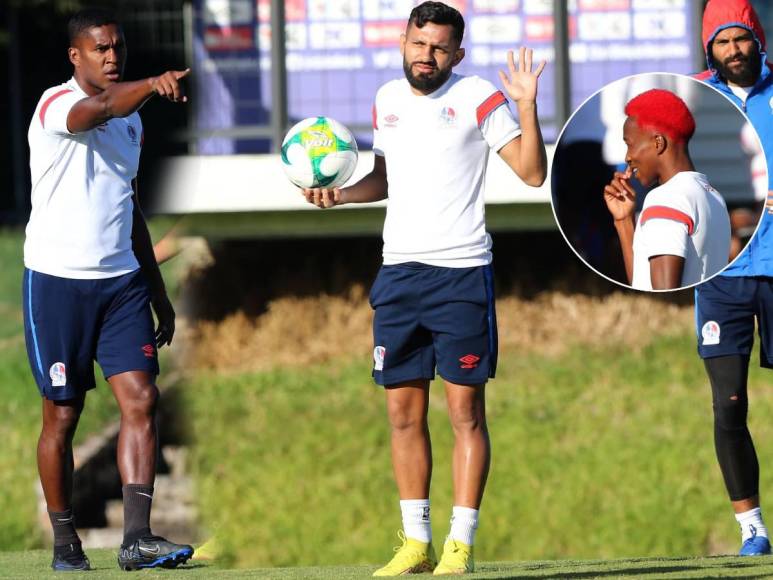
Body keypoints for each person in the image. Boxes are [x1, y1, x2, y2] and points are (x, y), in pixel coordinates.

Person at [302, 1, 547, 575]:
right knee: (403, 416)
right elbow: (384, 179)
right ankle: (416, 543)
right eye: (419, 43)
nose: (427, 55)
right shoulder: (387, 100)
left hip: (461, 274)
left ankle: (459, 546)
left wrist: (528, 107)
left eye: (439, 47)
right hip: (398, 276)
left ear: (456, 54)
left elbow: (532, 172)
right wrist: (339, 193)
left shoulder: (479, 96)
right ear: (403, 42)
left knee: (464, 413)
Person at [24, 8, 193, 571]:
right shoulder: (54, 104)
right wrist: (151, 84)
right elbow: (95, 109)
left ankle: (137, 538)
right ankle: (65, 539)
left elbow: (130, 207)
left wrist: (157, 291)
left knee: (143, 400)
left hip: (120, 283)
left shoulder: (133, 121)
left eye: (118, 46)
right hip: (57, 282)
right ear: (76, 56)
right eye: (100, 48)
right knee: (63, 416)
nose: (112, 56)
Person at [692, 0, 773, 556]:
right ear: (708, 48)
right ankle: (753, 531)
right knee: (729, 404)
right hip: (719, 275)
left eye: (741, 39)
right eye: (721, 42)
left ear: (757, 38)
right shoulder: (690, 97)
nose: (733, 51)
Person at [603, 88, 730, 291]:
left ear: (658, 143)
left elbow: (663, 294)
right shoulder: (714, 196)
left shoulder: (666, 198)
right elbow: (643, 280)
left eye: (630, 145)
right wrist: (624, 220)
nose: (627, 157)